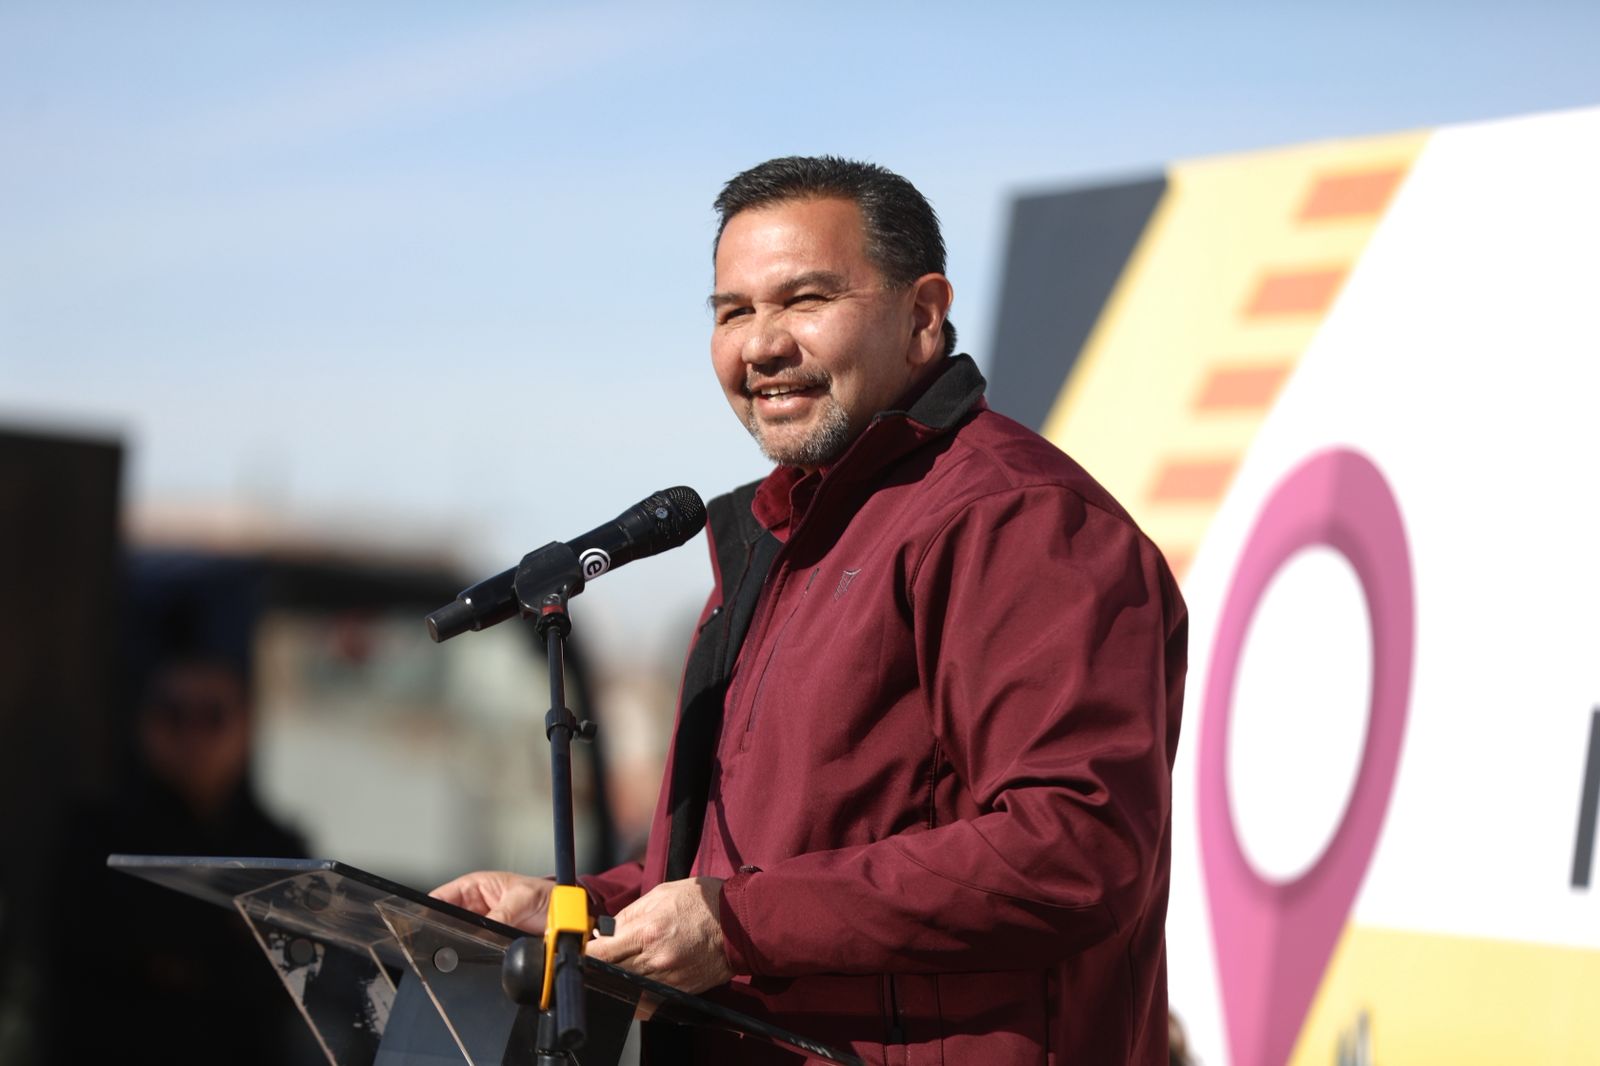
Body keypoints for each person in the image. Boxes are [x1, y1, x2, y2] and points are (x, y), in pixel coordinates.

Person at [436, 156, 1187, 1064]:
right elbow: (740, 876)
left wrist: (738, 925)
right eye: (733, 311)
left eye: (805, 300)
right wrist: (577, 910)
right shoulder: (777, 535)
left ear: (922, 315)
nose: (761, 345)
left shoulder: (1014, 518)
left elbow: (1076, 847)